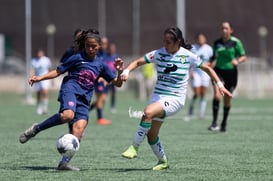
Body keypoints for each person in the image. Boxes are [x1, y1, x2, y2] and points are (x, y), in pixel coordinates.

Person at [120, 26, 232, 170]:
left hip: (175, 99)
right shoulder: (159, 54)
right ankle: (163, 162)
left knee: (148, 112)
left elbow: (208, 68)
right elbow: (137, 62)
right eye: (164, 41)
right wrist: (127, 70)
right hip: (158, 97)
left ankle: (134, 147)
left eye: (168, 42)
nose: (165, 45)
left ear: (177, 41)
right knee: (152, 135)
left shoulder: (188, 56)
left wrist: (220, 85)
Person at [19, 29, 124, 171]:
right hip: (70, 90)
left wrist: (119, 71)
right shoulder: (77, 57)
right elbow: (58, 71)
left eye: (94, 46)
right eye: (88, 45)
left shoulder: (101, 64)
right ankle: (36, 129)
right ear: (84, 45)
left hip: (85, 99)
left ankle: (64, 163)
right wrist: (40, 78)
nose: (90, 49)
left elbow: (117, 83)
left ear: (99, 46)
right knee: (68, 115)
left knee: (79, 129)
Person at [207, 21, 246, 132]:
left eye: (226, 28)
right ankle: (214, 123)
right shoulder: (217, 43)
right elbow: (213, 57)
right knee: (217, 96)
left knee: (227, 100)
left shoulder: (236, 42)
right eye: (222, 28)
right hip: (218, 72)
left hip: (231, 74)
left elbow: (243, 56)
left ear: (231, 30)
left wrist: (238, 61)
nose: (224, 30)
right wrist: (209, 63)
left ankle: (223, 122)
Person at [185, 33, 213, 120]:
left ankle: (201, 113)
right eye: (199, 38)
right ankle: (191, 107)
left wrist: (210, 65)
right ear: (197, 39)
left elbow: (213, 60)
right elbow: (189, 60)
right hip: (196, 72)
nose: (201, 40)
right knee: (197, 93)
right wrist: (190, 71)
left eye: (202, 38)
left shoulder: (209, 49)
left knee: (203, 93)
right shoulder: (193, 48)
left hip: (204, 73)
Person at [92, 37, 113, 125]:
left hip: (105, 80)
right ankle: (99, 118)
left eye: (106, 43)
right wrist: (99, 77)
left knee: (103, 99)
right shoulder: (97, 54)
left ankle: (87, 109)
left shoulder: (106, 54)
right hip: (99, 80)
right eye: (103, 43)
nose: (104, 45)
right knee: (100, 98)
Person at [31, 48, 52, 115]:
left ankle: (45, 108)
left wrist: (52, 79)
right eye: (38, 53)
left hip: (45, 78)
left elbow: (50, 69)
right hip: (37, 78)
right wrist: (32, 77)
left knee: (44, 91)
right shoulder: (34, 60)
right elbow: (32, 70)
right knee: (38, 93)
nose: (39, 54)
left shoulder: (46, 60)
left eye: (40, 53)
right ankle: (39, 108)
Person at [105, 43, 119, 113]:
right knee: (104, 94)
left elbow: (117, 67)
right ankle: (102, 107)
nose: (112, 50)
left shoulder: (116, 57)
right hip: (106, 78)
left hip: (113, 78)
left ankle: (112, 107)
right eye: (111, 49)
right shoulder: (106, 56)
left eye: (113, 49)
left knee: (113, 93)